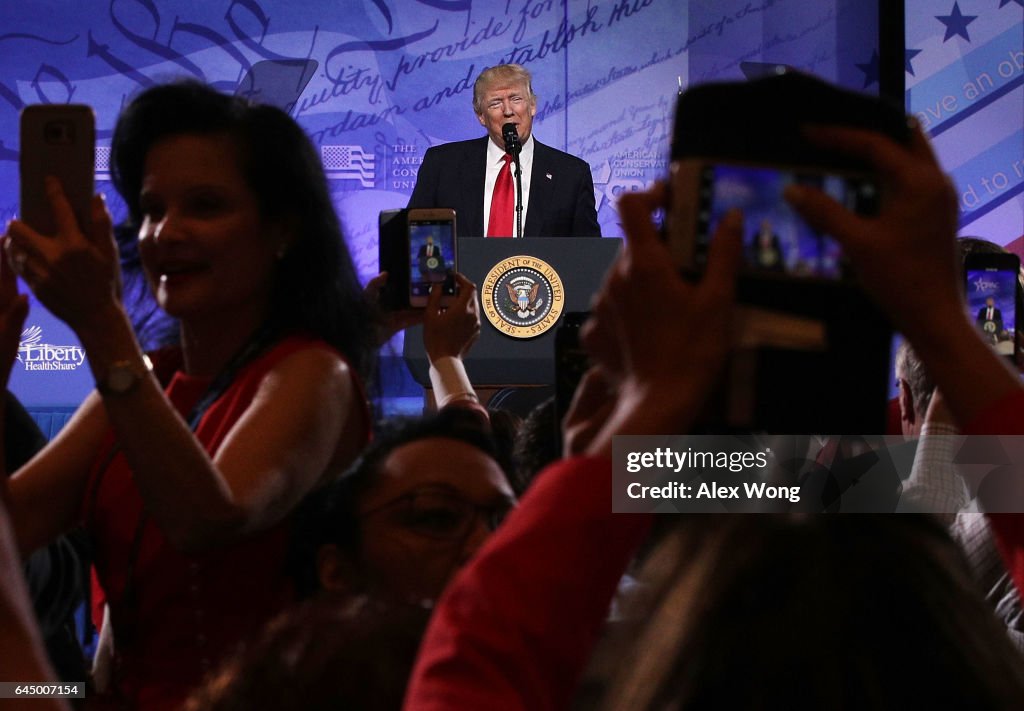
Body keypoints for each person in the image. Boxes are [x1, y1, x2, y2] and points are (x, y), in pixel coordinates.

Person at [0, 80, 373, 710]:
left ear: (282, 229)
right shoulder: (150, 380)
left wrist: (100, 321)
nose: (164, 233)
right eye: (150, 208)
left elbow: (208, 518)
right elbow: (11, 532)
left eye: (204, 205)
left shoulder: (313, 373)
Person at [408, 63, 601, 238]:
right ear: (481, 116)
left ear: (532, 106)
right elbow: (413, 238)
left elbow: (589, 255)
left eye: (516, 99)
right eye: (495, 103)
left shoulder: (571, 174)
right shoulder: (442, 165)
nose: (508, 110)